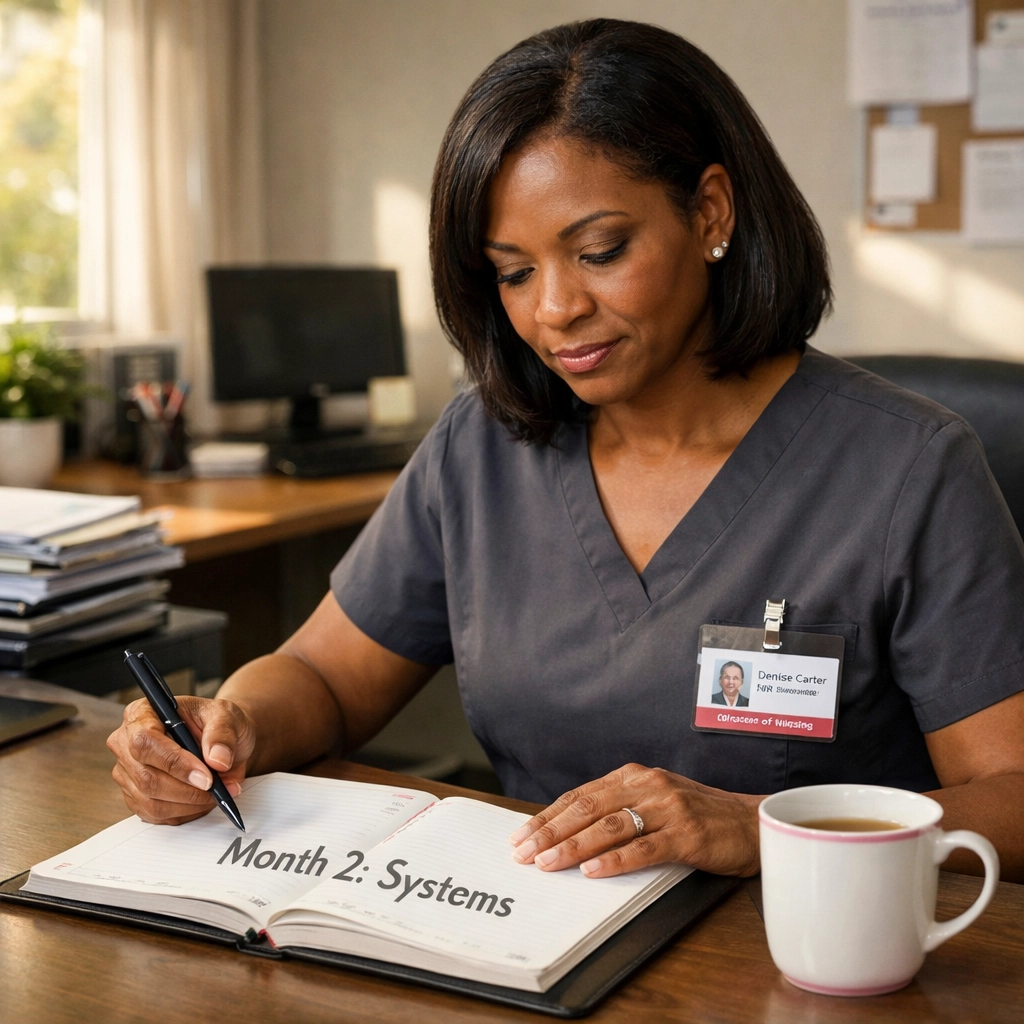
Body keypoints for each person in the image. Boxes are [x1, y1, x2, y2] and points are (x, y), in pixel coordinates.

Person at [107, 19, 1024, 883]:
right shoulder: (484, 445)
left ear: (710, 213)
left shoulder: (908, 469)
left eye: (599, 250)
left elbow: (1012, 801)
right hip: (526, 938)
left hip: (796, 961)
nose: (554, 310)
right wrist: (227, 729)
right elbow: (322, 677)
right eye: (513, 272)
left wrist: (763, 829)